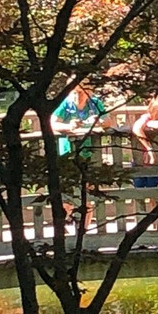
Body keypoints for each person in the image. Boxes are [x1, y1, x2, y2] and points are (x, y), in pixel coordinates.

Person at [50, 83, 107, 228]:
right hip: (68, 153)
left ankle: (83, 230)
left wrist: (97, 122)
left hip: (89, 154)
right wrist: (69, 126)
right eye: (74, 91)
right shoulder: (65, 104)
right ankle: (64, 227)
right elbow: (52, 124)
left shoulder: (95, 103)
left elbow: (107, 121)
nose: (78, 95)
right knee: (67, 196)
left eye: (81, 91)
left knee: (86, 194)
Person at [131, 95, 158, 188]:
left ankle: (154, 203)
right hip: (140, 162)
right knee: (139, 190)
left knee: (155, 190)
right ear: (154, 111)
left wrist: (149, 124)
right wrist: (149, 148)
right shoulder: (146, 117)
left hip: (157, 163)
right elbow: (136, 128)